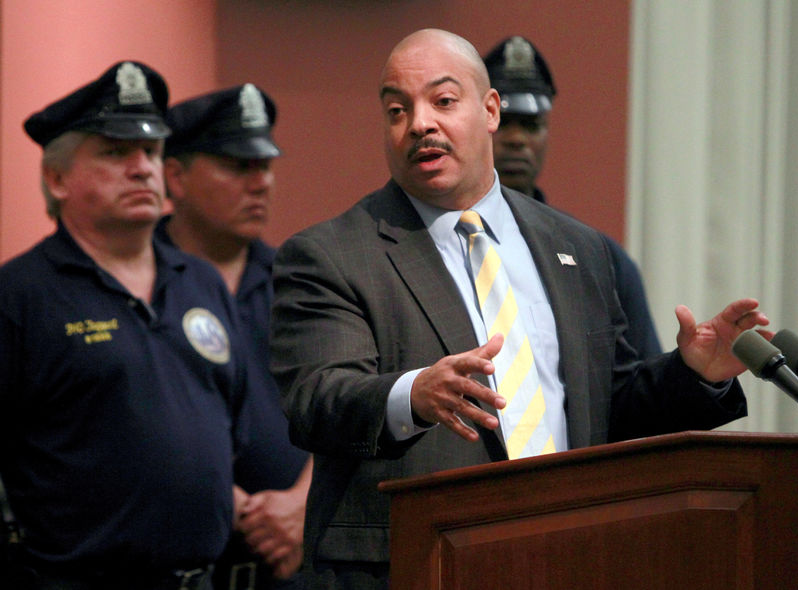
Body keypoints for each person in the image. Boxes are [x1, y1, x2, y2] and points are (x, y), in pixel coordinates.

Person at [268, 29, 768, 590]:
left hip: (570, 556)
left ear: (489, 110)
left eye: (444, 100)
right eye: (396, 109)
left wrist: (691, 374)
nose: (420, 123)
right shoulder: (331, 255)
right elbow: (316, 399)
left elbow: (603, 411)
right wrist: (413, 393)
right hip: (415, 565)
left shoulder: (578, 248)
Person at [0, 61, 253, 590]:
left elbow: (235, 423)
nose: (143, 168)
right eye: (116, 153)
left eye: (153, 152)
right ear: (57, 177)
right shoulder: (19, 295)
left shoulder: (201, 283)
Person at [158, 84, 312, 590]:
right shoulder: (137, 281)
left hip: (289, 567)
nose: (261, 182)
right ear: (175, 177)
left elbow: (345, 405)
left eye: (264, 165)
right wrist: (223, 497)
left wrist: (300, 503)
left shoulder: (300, 281)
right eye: (236, 166)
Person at [484, 35, 663, 358]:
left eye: (531, 125)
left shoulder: (598, 258)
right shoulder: (442, 240)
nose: (516, 140)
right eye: (504, 123)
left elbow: (644, 385)